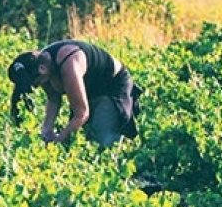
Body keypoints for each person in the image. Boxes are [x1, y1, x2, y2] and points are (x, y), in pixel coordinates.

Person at [8, 40, 142, 148]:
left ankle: (132, 146)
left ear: (42, 69)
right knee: (80, 141)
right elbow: (54, 99)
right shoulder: (43, 68)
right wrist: (46, 131)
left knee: (101, 143)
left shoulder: (68, 64)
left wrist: (58, 141)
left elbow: (82, 113)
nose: (37, 86)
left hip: (110, 87)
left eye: (35, 83)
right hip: (88, 90)